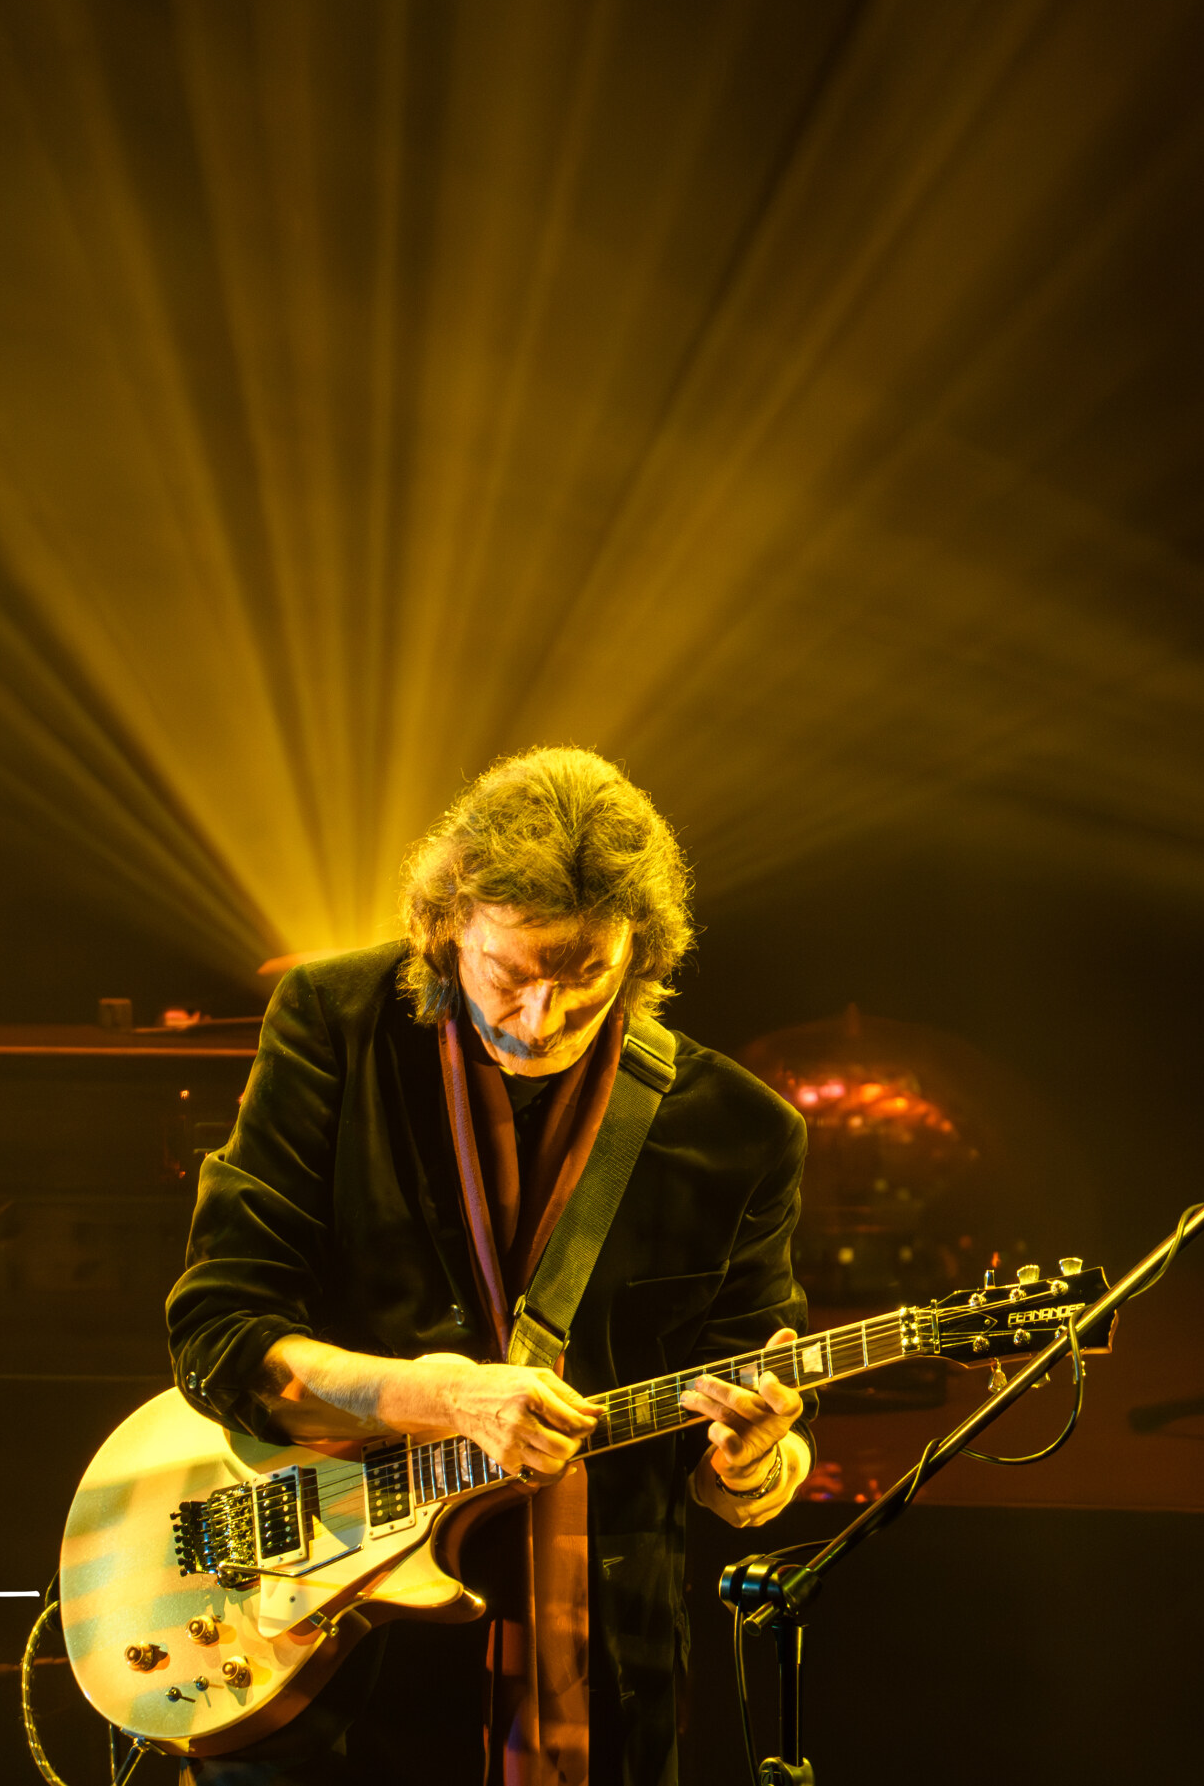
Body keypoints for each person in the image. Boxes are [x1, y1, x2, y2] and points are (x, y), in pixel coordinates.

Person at [167, 747, 811, 1786]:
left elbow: (748, 1446)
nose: (540, 1021)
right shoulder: (334, 1023)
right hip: (326, 1646)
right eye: (508, 975)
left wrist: (753, 1465)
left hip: (603, 1666)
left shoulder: (743, 1130)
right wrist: (440, 1397)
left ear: (639, 951)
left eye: (585, 978)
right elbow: (217, 1334)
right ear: (444, 928)